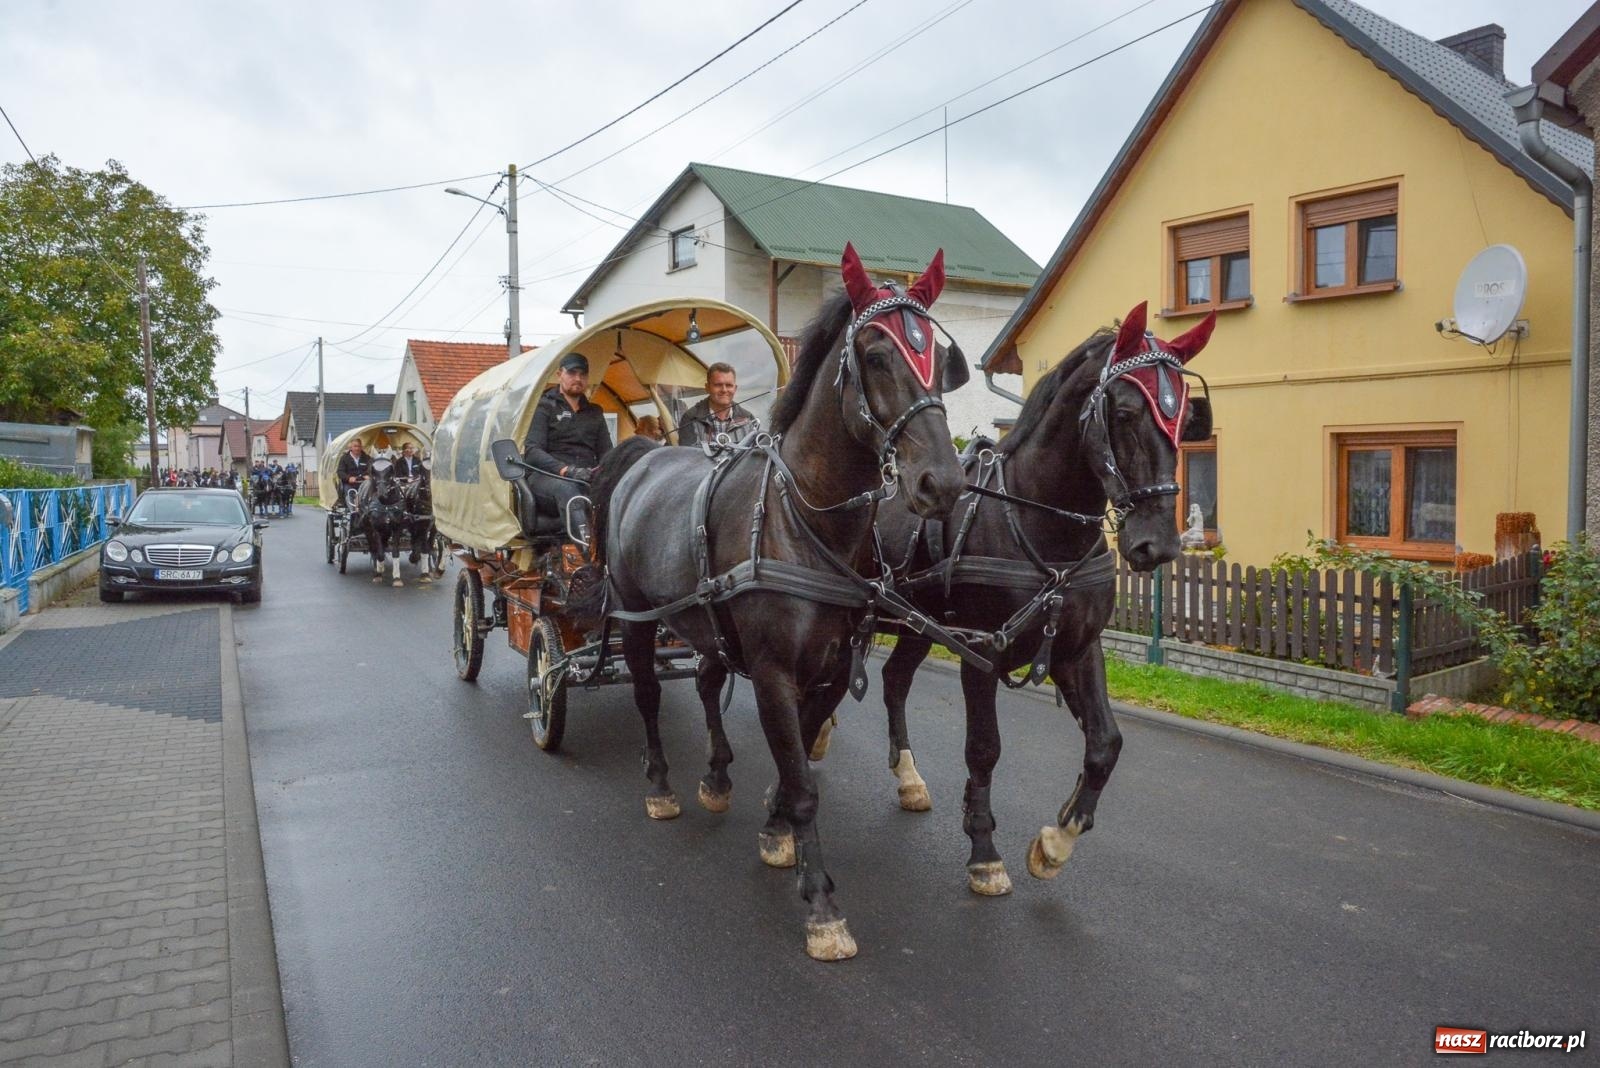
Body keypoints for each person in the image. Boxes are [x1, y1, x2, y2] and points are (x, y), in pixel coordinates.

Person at [521, 352, 612, 544]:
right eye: (572, 373)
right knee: (569, 491)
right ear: (559, 374)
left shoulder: (595, 412)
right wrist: (566, 470)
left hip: (586, 477)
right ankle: (591, 558)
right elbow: (532, 452)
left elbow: (607, 453)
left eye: (583, 374)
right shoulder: (544, 407)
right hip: (547, 477)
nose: (577, 379)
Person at [676, 362, 755, 448]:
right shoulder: (690, 418)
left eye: (729, 385)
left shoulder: (748, 418)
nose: (724, 390)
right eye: (718, 385)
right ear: (707, 387)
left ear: (735, 389)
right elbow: (687, 456)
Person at [335, 439, 373, 509]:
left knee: (369, 483)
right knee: (348, 491)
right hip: (350, 484)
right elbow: (340, 472)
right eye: (355, 446)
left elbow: (372, 469)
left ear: (361, 447)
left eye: (359, 446)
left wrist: (368, 475)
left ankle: (362, 503)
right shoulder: (344, 458)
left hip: (364, 483)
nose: (357, 448)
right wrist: (348, 478)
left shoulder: (367, 458)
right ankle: (353, 510)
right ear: (351, 448)